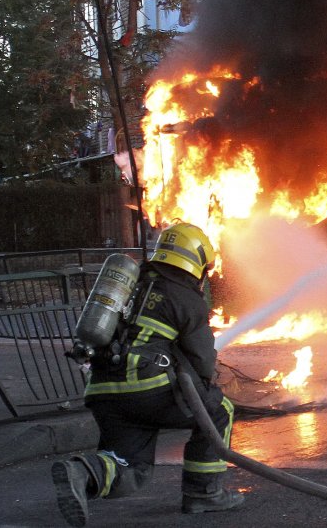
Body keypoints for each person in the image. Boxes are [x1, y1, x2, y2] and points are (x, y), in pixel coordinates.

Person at [51, 223, 243, 527]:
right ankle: (204, 494)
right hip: (147, 389)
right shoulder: (186, 297)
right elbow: (203, 361)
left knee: (131, 466)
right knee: (219, 410)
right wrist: (206, 386)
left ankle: (84, 471)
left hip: (102, 389)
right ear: (196, 262)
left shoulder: (132, 281)